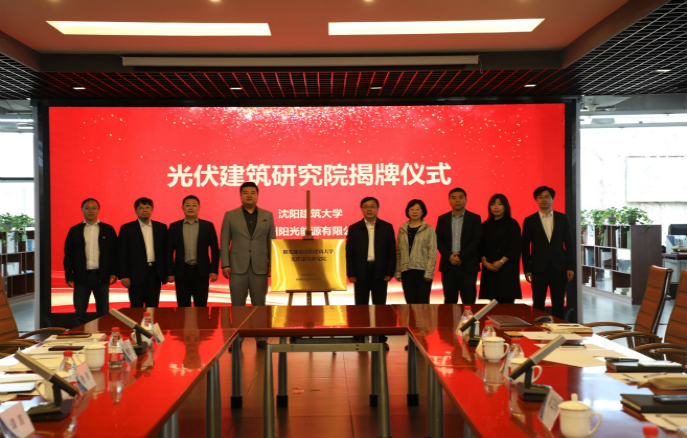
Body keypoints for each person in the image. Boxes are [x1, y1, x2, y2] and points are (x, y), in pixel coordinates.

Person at [221, 182, 275, 349]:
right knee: (237, 306)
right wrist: (225, 264)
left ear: (258, 195)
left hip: (260, 266)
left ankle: (261, 338)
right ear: (240, 195)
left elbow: (271, 241)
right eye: (245, 192)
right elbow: (224, 241)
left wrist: (272, 264)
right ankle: (236, 339)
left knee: (259, 305)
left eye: (252, 192)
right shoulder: (230, 215)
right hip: (237, 267)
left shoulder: (267, 215)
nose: (249, 195)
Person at [521, 186, 575, 319]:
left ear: (552, 199)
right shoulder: (530, 220)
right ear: (536, 200)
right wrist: (527, 269)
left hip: (559, 267)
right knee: (538, 303)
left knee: (558, 303)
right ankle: (538, 329)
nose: (543, 199)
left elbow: (569, 244)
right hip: (538, 268)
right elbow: (525, 247)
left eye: (547, 197)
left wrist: (570, 267)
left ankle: (559, 328)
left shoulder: (563, 218)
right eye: (540, 197)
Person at [63, 198, 118, 327]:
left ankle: (103, 337)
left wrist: (114, 272)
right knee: (79, 313)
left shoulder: (108, 229)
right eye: (87, 208)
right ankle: (78, 337)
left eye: (94, 208)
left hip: (102, 277)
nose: (90, 211)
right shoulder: (75, 230)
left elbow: (114, 253)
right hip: (81, 277)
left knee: (103, 313)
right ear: (82, 210)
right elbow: (68, 255)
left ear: (98, 210)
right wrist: (69, 275)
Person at [167, 195, 220, 307]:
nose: (191, 208)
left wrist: (214, 270)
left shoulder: (207, 226)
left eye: (194, 205)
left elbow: (215, 250)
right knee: (183, 306)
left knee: (201, 306)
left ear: (199, 207)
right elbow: (169, 251)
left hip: (201, 272)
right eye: (187, 205)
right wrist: (170, 272)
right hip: (182, 272)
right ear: (182, 208)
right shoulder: (174, 227)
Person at [118, 197, 168, 308]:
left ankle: (151, 321)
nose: (144, 210)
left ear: (152, 209)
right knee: (136, 308)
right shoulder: (127, 228)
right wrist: (124, 276)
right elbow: (121, 254)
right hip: (135, 275)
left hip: (155, 274)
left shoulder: (161, 228)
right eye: (141, 208)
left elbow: (166, 252)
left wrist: (168, 272)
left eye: (147, 207)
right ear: (135, 210)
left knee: (153, 307)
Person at [345, 197, 396, 305]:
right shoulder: (354, 228)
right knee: (361, 306)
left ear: (377, 208)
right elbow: (349, 253)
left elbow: (391, 251)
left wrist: (389, 271)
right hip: (360, 272)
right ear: (362, 209)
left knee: (380, 306)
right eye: (366, 207)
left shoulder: (386, 227)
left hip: (380, 272)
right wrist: (351, 272)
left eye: (372, 206)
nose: (369, 209)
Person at [436, 188, 482, 304]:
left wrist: (461, 256)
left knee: (469, 301)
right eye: (454, 198)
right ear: (449, 201)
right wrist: (449, 256)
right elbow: (438, 240)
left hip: (468, 266)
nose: (457, 200)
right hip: (448, 266)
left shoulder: (475, 218)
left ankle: (469, 318)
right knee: (450, 302)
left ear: (466, 200)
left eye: (460, 197)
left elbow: (476, 240)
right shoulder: (442, 219)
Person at [478, 194, 522, 304]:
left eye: (499, 204)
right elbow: (480, 246)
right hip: (490, 268)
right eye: (493, 204)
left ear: (505, 206)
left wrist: (501, 261)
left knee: (507, 305)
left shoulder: (512, 224)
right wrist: (485, 262)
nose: (496, 207)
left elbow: (515, 246)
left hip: (507, 269)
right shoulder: (485, 225)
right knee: (492, 305)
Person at [395, 200, 437, 304]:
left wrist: (429, 272)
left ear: (423, 212)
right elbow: (398, 252)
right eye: (412, 209)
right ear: (408, 211)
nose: (414, 212)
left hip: (422, 272)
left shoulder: (429, 229)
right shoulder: (402, 229)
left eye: (418, 209)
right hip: (406, 271)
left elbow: (432, 252)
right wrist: (398, 271)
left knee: (423, 303)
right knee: (410, 303)